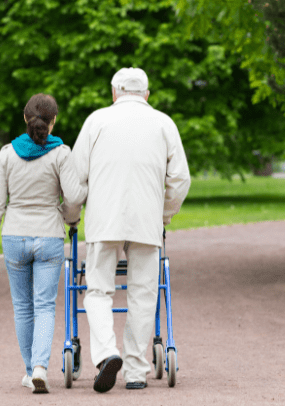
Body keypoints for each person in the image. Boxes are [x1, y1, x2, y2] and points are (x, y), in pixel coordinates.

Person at [67, 67, 191, 393]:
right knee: (143, 293)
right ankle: (136, 370)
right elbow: (180, 180)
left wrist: (71, 216)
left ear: (114, 92)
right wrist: (163, 215)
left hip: (103, 221)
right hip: (146, 221)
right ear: (147, 95)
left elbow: (76, 178)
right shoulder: (164, 123)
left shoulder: (96, 121)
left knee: (97, 290)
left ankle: (107, 352)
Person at [0, 93, 86, 394]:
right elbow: (75, 197)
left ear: (25, 119)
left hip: (14, 237)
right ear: (54, 121)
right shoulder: (61, 153)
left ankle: (30, 371)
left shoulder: (7, 154)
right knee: (45, 306)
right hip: (49, 236)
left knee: (23, 308)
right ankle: (40, 366)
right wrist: (69, 218)